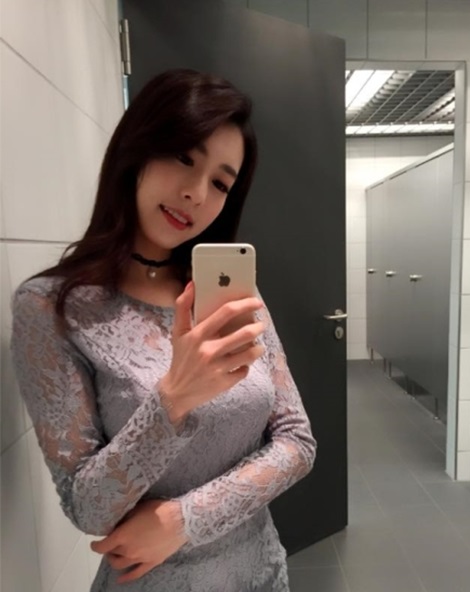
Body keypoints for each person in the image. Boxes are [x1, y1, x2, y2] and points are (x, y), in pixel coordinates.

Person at [10, 69, 316, 592]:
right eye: (183, 158)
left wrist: (184, 521)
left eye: (220, 183)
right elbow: (88, 506)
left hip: (261, 574)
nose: (195, 193)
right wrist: (174, 398)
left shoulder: (231, 295)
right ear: (138, 148)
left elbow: (297, 442)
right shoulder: (51, 308)